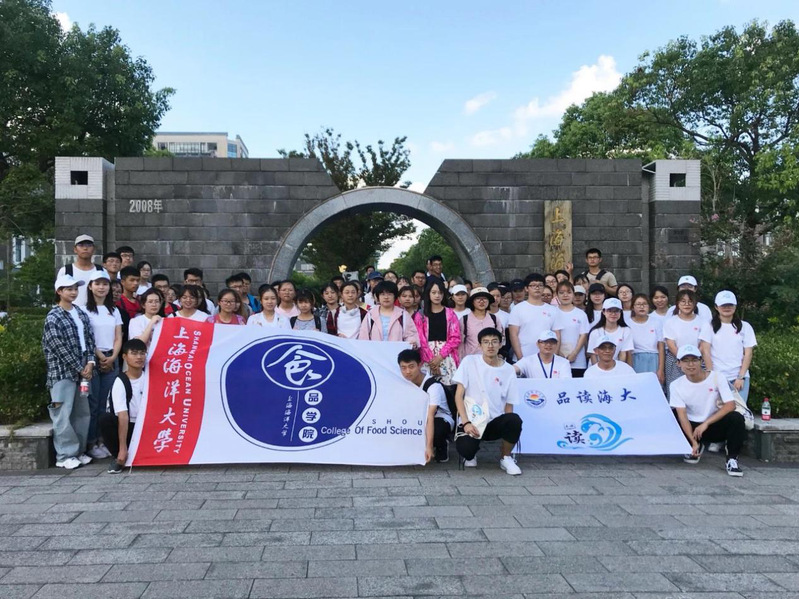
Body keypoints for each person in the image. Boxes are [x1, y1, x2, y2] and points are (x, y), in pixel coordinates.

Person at [42, 275, 96, 469]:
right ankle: (64, 455)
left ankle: (79, 451)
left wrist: (90, 362)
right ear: (59, 292)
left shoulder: (80, 313)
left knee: (82, 413)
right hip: (62, 372)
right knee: (63, 414)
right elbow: (58, 346)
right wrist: (80, 367)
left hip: (83, 370)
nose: (73, 292)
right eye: (69, 289)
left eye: (75, 289)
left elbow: (90, 339)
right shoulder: (53, 316)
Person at [452, 328, 522, 475]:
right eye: (486, 342)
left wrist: (509, 428)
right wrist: (465, 422)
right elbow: (459, 395)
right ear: (480, 345)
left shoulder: (508, 370)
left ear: (500, 344)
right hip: (472, 421)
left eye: (494, 342)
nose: (490, 345)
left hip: (494, 421)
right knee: (467, 452)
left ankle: (506, 457)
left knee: (514, 420)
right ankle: (472, 452)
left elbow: (509, 403)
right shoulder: (469, 362)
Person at [669, 344, 745, 476]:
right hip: (692, 426)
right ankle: (694, 445)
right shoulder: (676, 385)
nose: (690, 364)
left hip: (712, 424)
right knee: (673, 414)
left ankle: (732, 459)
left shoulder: (717, 377)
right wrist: (692, 441)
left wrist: (706, 423)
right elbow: (682, 416)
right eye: (686, 361)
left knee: (736, 418)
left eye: (694, 360)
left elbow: (730, 405)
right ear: (678, 363)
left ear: (701, 361)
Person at [82, 270, 122, 460]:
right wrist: (100, 357)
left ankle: (102, 441)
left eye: (105, 284)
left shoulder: (113, 310)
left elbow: (118, 336)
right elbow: (87, 338)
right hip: (92, 359)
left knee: (106, 404)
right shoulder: (83, 310)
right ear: (90, 287)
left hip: (112, 357)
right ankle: (91, 442)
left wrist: (112, 357)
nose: (101, 287)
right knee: (92, 402)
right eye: (97, 284)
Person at [398, 348, 454, 463]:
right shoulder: (403, 382)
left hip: (439, 417)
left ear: (419, 365)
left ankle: (441, 445)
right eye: (403, 368)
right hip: (418, 415)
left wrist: (429, 446)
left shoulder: (433, 386)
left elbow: (430, 416)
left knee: (437, 431)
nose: (407, 371)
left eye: (411, 367)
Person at [103, 339, 147, 474]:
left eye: (142, 353)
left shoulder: (150, 377)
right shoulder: (120, 381)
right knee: (105, 420)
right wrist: (123, 449)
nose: (139, 357)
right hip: (129, 426)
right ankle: (119, 457)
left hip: (147, 427)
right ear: (124, 356)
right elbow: (122, 415)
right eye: (134, 353)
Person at [705, 290, 757, 403]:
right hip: (717, 376)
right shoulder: (708, 326)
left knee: (739, 410)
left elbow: (748, 353)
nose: (727, 308)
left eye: (730, 305)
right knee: (717, 410)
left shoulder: (745, 326)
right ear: (716, 307)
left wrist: (741, 377)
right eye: (723, 305)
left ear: (735, 306)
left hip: (738, 377)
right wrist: (712, 376)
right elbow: (705, 351)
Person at [663, 289, 712, 397]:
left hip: (697, 360)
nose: (687, 304)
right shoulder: (670, 322)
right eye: (683, 301)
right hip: (675, 360)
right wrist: (682, 360)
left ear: (695, 304)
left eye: (690, 301)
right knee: (676, 392)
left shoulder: (703, 322)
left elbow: (703, 345)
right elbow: (671, 345)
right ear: (677, 303)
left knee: (697, 392)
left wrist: (693, 360)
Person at [412, 280, 460, 382]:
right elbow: (420, 339)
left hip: (446, 356)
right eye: (433, 292)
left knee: (449, 387)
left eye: (440, 293)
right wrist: (431, 361)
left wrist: (440, 356)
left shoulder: (450, 313)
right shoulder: (420, 315)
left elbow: (455, 338)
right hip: (426, 357)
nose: (437, 295)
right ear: (428, 294)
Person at [508, 273, 561, 360]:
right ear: (526, 288)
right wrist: (520, 358)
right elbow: (513, 335)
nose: (537, 288)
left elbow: (557, 335)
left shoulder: (553, 310)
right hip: (523, 357)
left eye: (540, 285)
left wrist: (554, 357)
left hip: (546, 359)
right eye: (533, 285)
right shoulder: (517, 309)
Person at [359, 281, 420, 346]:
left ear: (395, 296)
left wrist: (412, 342)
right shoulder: (370, 315)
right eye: (382, 294)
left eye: (389, 294)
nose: (386, 297)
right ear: (378, 297)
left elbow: (410, 335)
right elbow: (363, 337)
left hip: (397, 351)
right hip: (375, 351)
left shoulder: (403, 315)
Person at [56, 234, 105, 306]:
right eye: (81, 245)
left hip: (96, 310)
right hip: (72, 310)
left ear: (94, 249)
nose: (85, 248)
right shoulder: (65, 271)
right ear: (75, 249)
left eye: (89, 245)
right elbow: (58, 296)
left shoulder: (101, 271)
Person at [554, 281, 589, 377]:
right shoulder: (552, 312)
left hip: (578, 361)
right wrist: (558, 352)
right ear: (556, 295)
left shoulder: (581, 314)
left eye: (569, 292)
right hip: (557, 359)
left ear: (573, 294)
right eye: (561, 292)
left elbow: (583, 335)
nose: (565, 295)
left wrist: (575, 353)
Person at [628, 293, 665, 384]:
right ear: (633, 307)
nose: (642, 307)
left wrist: (660, 369)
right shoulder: (628, 323)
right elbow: (628, 349)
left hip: (654, 359)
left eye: (644, 304)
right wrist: (630, 369)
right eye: (638, 304)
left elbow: (661, 346)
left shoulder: (656, 322)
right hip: (636, 359)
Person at [587, 298, 634, 366]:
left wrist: (618, 369)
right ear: (603, 312)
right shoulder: (595, 332)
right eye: (609, 311)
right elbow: (593, 354)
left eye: (616, 311)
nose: (613, 314)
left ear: (621, 312)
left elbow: (624, 353)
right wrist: (598, 370)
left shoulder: (626, 330)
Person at [460, 287, 503, 357]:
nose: (482, 301)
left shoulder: (494, 319)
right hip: (471, 358)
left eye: (485, 298)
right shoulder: (464, 320)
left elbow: (501, 339)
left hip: (491, 359)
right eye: (478, 298)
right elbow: (460, 343)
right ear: (472, 301)